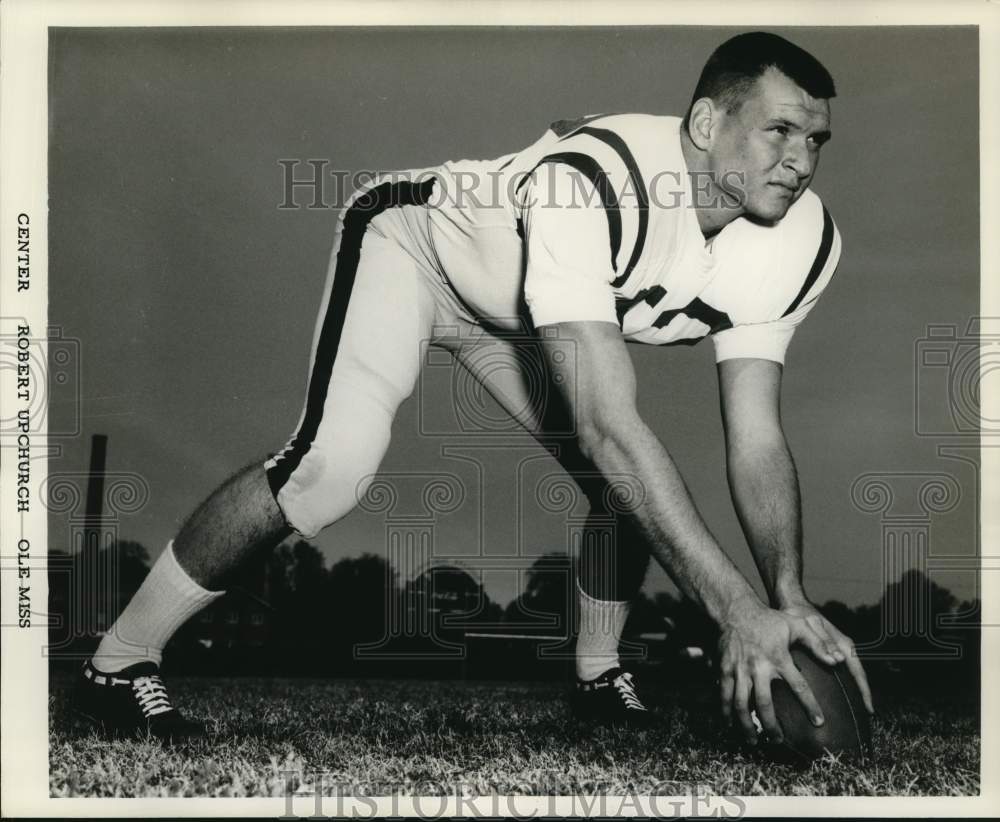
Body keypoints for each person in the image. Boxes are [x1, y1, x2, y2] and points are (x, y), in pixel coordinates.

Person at [75, 31, 874, 744]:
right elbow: (606, 423)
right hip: (417, 250)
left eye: (816, 139)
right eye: (778, 131)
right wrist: (734, 612)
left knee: (628, 499)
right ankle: (117, 664)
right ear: (706, 125)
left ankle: (598, 683)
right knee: (332, 467)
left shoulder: (799, 240)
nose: (800, 162)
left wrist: (786, 597)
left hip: (523, 316)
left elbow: (757, 434)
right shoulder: (592, 183)